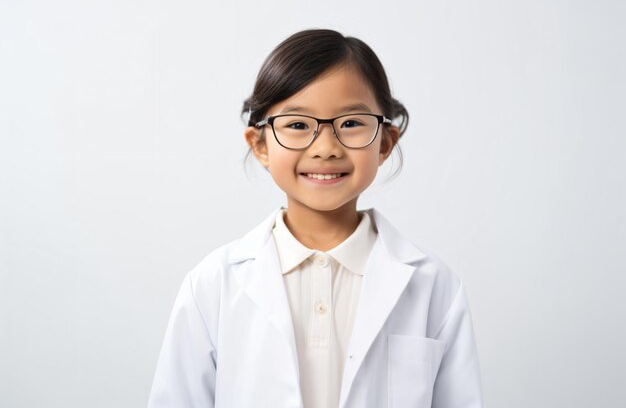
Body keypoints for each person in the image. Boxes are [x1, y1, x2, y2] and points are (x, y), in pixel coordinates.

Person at [147, 29, 483, 408]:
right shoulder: (213, 285)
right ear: (260, 145)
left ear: (385, 143)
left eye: (352, 123)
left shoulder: (434, 286)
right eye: (297, 125)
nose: (325, 148)